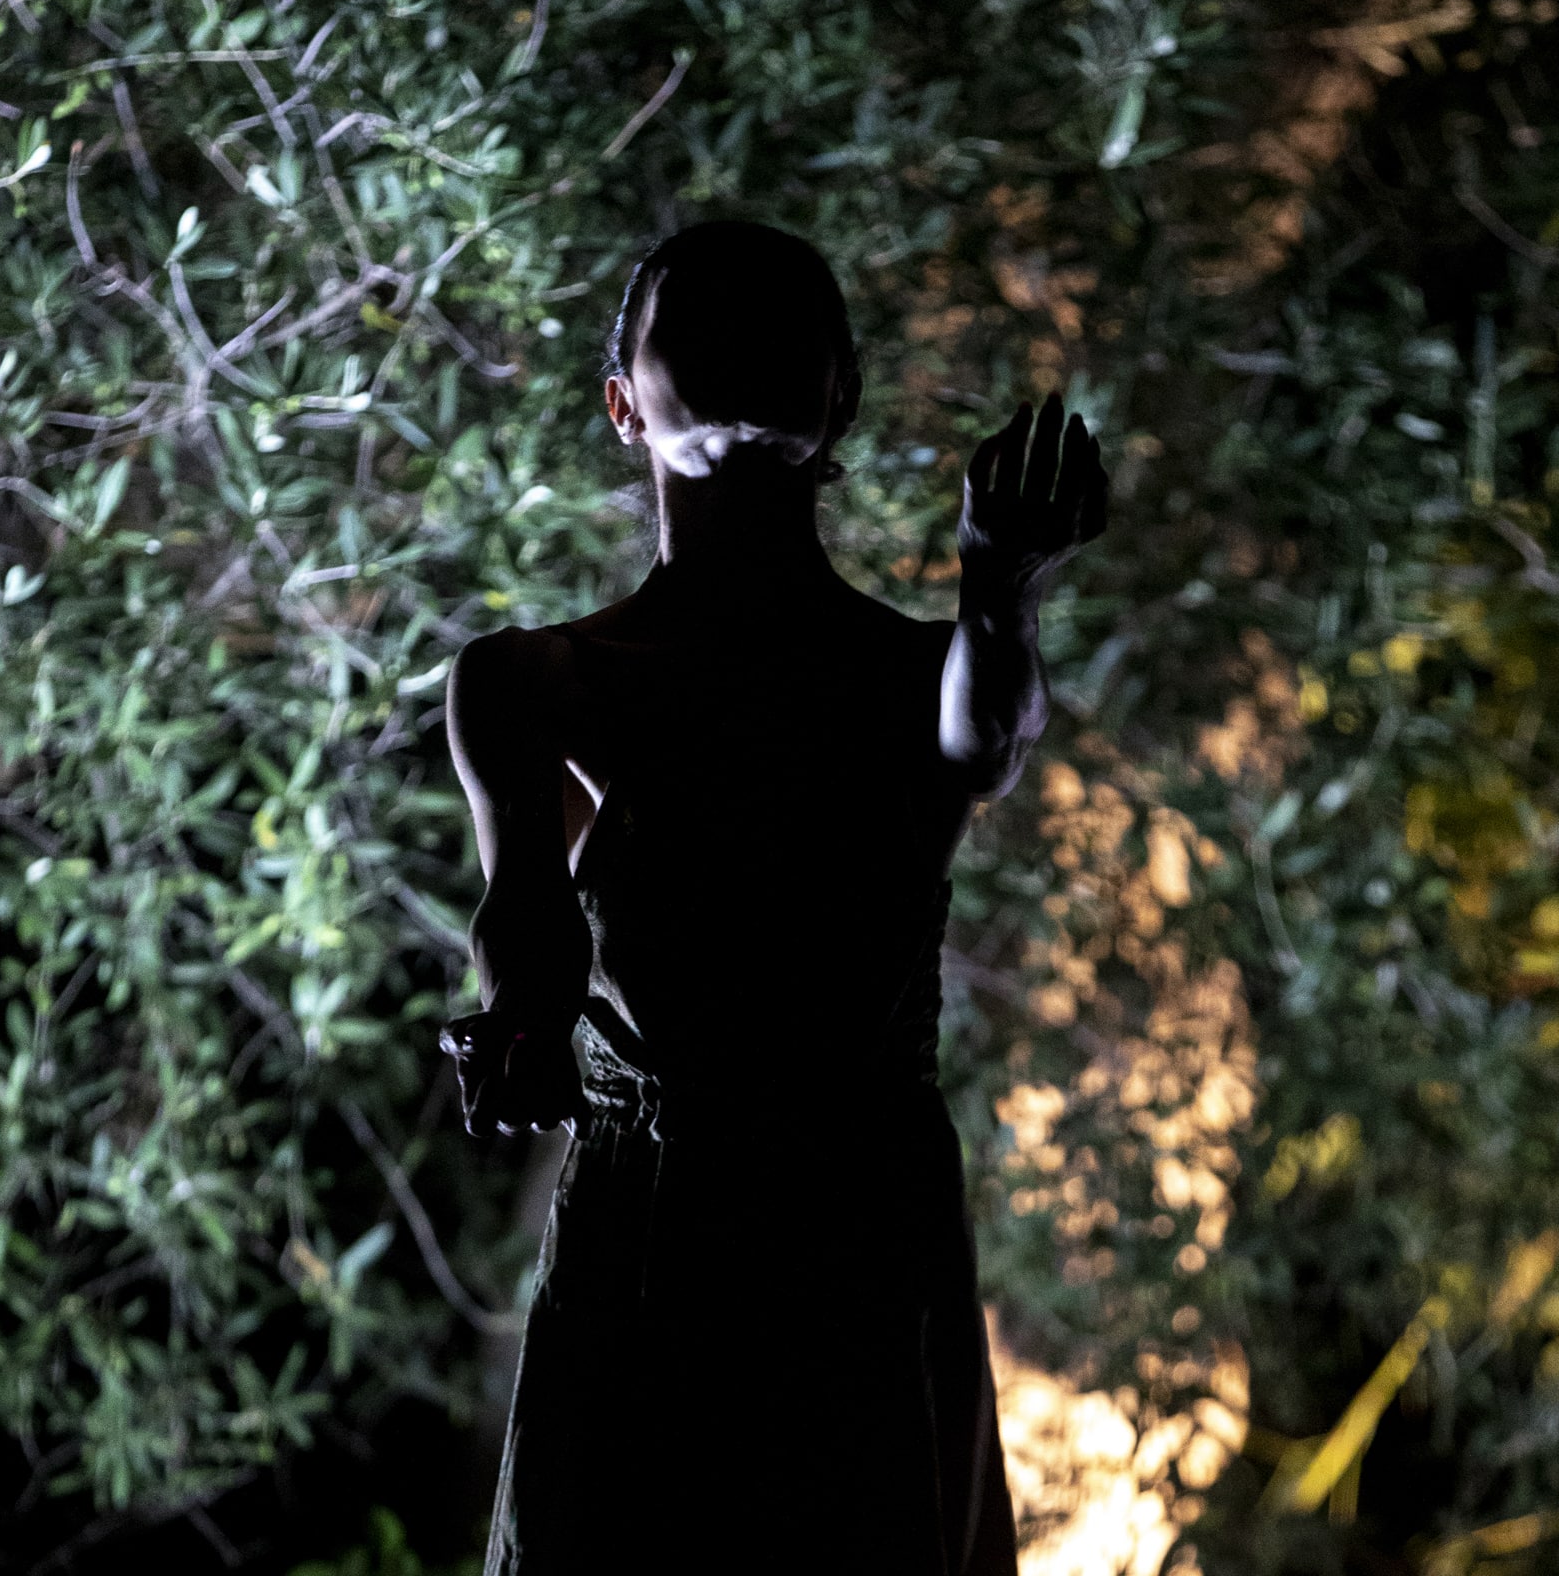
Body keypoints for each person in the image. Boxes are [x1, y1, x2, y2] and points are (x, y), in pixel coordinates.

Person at [443, 220, 1107, 1575]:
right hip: (655, 1224)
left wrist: (999, 590)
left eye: (778, 321)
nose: (742, 337)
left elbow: (984, 740)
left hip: (856, 1230)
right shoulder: (533, 684)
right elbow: (528, 919)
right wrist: (520, 1021)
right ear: (622, 403)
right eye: (702, 318)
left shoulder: (917, 677)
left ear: (839, 395)